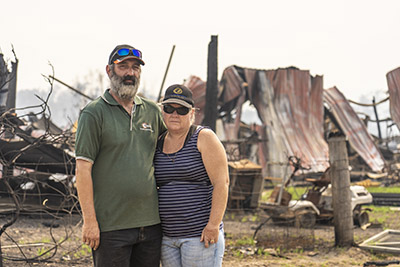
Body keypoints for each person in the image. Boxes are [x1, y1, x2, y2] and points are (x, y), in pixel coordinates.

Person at [75, 44, 166, 267]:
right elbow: (83, 169)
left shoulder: (152, 111)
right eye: (123, 66)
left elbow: (172, 150)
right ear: (109, 70)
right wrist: (89, 222)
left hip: (151, 225)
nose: (130, 73)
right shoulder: (94, 113)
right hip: (111, 227)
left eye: (135, 68)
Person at [154, 84, 230, 267]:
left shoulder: (203, 137)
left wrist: (213, 225)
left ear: (192, 113)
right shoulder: (157, 142)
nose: (174, 114)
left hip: (200, 236)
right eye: (169, 108)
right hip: (168, 238)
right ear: (162, 111)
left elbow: (222, 183)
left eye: (182, 110)